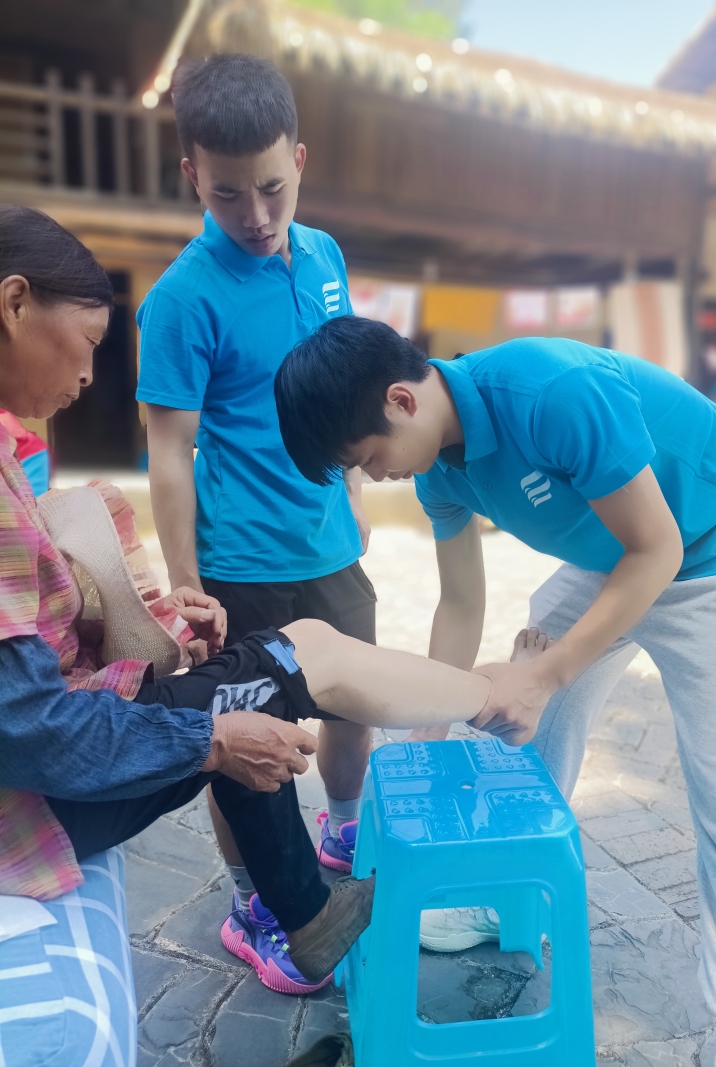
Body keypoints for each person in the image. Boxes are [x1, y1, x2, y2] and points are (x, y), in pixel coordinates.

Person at [0, 205, 539, 1065]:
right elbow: (24, 729)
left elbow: (31, 654)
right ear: (15, 304)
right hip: (36, 794)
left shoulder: (12, 448)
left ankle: (308, 907)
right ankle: (495, 702)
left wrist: (164, 632)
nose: (92, 373)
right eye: (89, 342)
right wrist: (209, 738)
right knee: (288, 668)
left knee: (266, 672)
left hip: (69, 738)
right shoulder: (185, 297)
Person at [274, 314, 716, 1067]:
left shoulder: (553, 391)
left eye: (369, 458)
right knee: (521, 740)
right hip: (613, 557)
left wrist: (545, 674)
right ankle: (508, 901)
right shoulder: (439, 468)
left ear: (401, 400)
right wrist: (428, 732)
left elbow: (659, 548)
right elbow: (461, 602)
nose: (376, 477)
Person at [136, 53, 376, 970]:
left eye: (272, 188)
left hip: (330, 544)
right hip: (241, 562)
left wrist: (353, 493)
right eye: (228, 193)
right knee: (248, 749)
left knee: (354, 704)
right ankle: (254, 904)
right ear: (192, 175)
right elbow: (169, 450)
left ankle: (344, 836)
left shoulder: (324, 257)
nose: (257, 216)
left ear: (300, 161)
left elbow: (340, 387)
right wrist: (187, 584)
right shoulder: (181, 298)